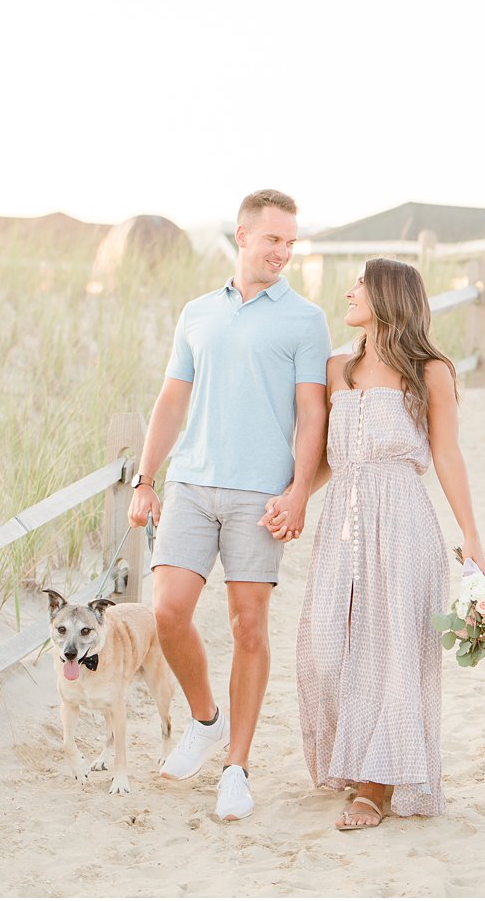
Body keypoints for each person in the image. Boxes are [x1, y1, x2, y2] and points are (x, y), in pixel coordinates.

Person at [263, 256, 485, 830]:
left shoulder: (430, 371)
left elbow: (446, 455)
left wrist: (472, 537)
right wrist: (296, 497)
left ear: (387, 295)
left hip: (404, 522)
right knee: (326, 647)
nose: (349, 293)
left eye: (360, 285)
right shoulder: (337, 367)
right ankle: (351, 761)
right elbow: (326, 459)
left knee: (390, 652)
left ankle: (375, 787)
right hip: (344, 520)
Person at [127, 188, 332, 821]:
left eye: (292, 242)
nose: (284, 252)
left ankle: (236, 767)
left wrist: (298, 491)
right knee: (168, 612)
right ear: (242, 236)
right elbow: (170, 402)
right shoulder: (196, 313)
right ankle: (205, 718)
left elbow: (311, 414)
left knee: (248, 625)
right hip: (190, 483)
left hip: (259, 494)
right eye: (274, 239)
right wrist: (145, 477)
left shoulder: (305, 319)